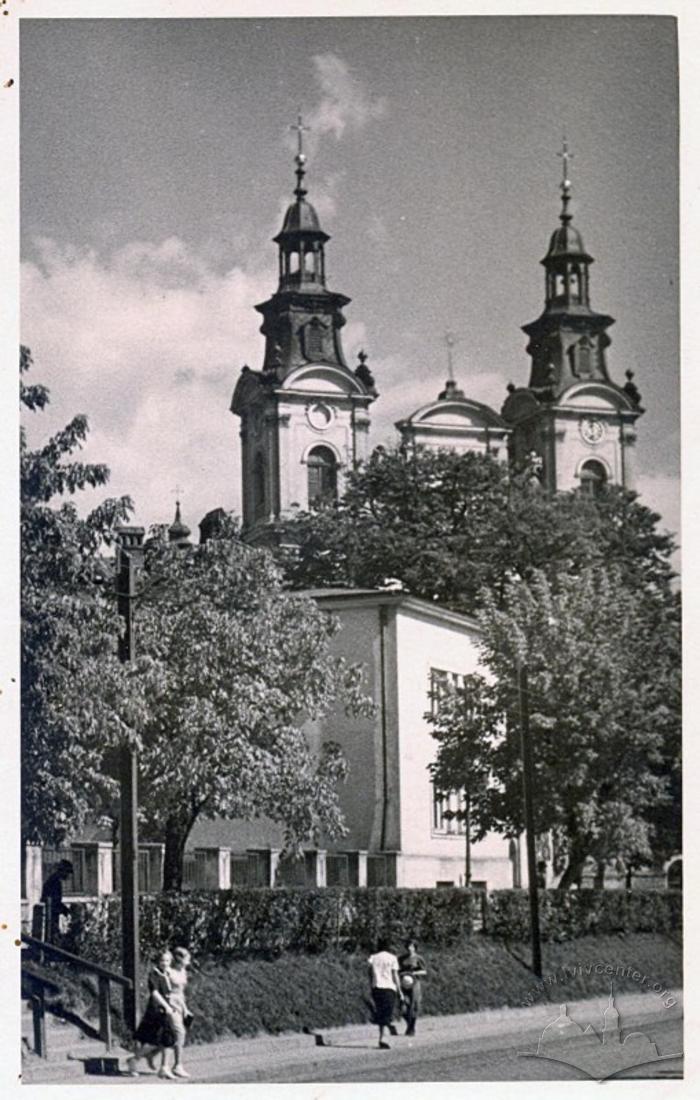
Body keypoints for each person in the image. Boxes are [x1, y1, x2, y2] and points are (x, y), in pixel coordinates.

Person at [127, 949, 177, 1079]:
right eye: (162, 960)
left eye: (167, 960)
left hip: (166, 1011)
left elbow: (171, 993)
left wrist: (173, 1006)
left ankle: (164, 1068)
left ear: (170, 961)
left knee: (169, 1038)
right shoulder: (154, 974)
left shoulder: (168, 975)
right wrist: (166, 1006)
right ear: (158, 961)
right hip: (156, 1011)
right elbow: (155, 993)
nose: (164, 963)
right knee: (154, 1041)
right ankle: (134, 1059)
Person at [368, 937, 404, 1049]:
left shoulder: (373, 958)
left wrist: (371, 984)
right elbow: (395, 976)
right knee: (387, 1013)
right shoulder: (392, 958)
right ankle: (384, 1037)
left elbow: (369, 973)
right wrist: (400, 991)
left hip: (377, 987)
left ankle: (382, 1036)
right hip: (389, 988)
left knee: (380, 1012)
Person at [166, 946, 193, 1078]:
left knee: (171, 1036)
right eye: (187, 958)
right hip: (169, 1004)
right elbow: (165, 990)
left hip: (179, 1004)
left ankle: (136, 1059)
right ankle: (177, 1066)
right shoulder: (169, 972)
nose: (189, 961)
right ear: (179, 958)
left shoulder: (183, 971)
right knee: (179, 1032)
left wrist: (185, 1008)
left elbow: (181, 992)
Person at [398, 939, 427, 1036]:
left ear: (415, 948)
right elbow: (397, 970)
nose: (410, 949)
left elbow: (424, 971)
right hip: (403, 984)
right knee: (403, 1006)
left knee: (414, 1005)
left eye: (412, 947)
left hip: (415, 983)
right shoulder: (401, 959)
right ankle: (409, 1024)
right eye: (408, 946)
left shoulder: (419, 958)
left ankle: (412, 1027)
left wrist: (414, 972)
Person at [40, 859, 73, 942]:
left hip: (51, 914)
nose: (68, 875)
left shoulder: (53, 880)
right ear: (63, 871)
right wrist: (66, 911)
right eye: (67, 872)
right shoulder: (54, 882)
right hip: (50, 915)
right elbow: (55, 902)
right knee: (52, 937)